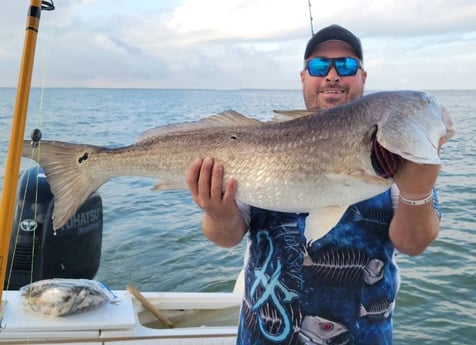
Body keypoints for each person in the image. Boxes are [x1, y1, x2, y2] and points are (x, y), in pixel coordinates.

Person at [186, 24, 441, 345]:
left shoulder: (396, 150)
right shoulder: (257, 144)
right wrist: (219, 214)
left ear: (363, 77)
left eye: (346, 66)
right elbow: (225, 237)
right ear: (303, 77)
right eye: (319, 66)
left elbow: (413, 244)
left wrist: (417, 193)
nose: (332, 75)